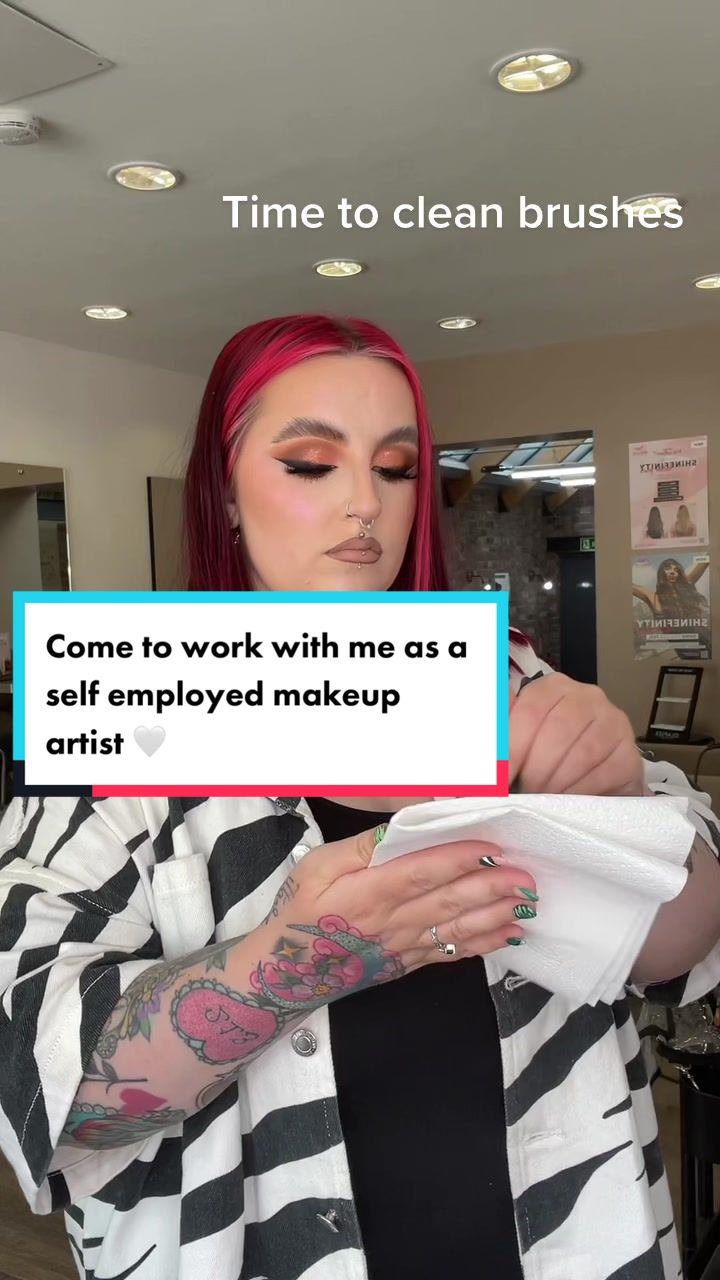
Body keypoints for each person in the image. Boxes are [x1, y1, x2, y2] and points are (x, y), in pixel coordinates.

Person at [0, 314, 719, 1280]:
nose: (365, 505)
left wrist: (627, 806)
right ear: (223, 492)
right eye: (310, 464)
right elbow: (47, 1091)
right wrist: (291, 963)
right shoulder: (123, 713)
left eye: (395, 468)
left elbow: (677, 952)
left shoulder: (510, 684)